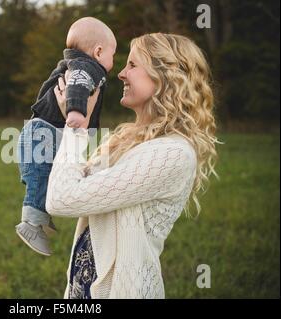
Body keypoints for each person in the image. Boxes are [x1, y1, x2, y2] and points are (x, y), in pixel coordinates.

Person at [46, 33, 219, 298]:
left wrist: (77, 127)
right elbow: (67, 181)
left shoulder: (173, 153)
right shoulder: (125, 139)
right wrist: (75, 114)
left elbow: (63, 199)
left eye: (133, 65)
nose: (121, 74)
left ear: (165, 77)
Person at [15, 17, 117, 256]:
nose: (113, 62)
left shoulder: (73, 62)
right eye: (113, 55)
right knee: (40, 179)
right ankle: (31, 223)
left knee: (46, 176)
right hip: (44, 134)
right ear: (98, 51)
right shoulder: (87, 66)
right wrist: (76, 112)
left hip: (42, 132)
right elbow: (78, 85)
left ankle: (41, 214)